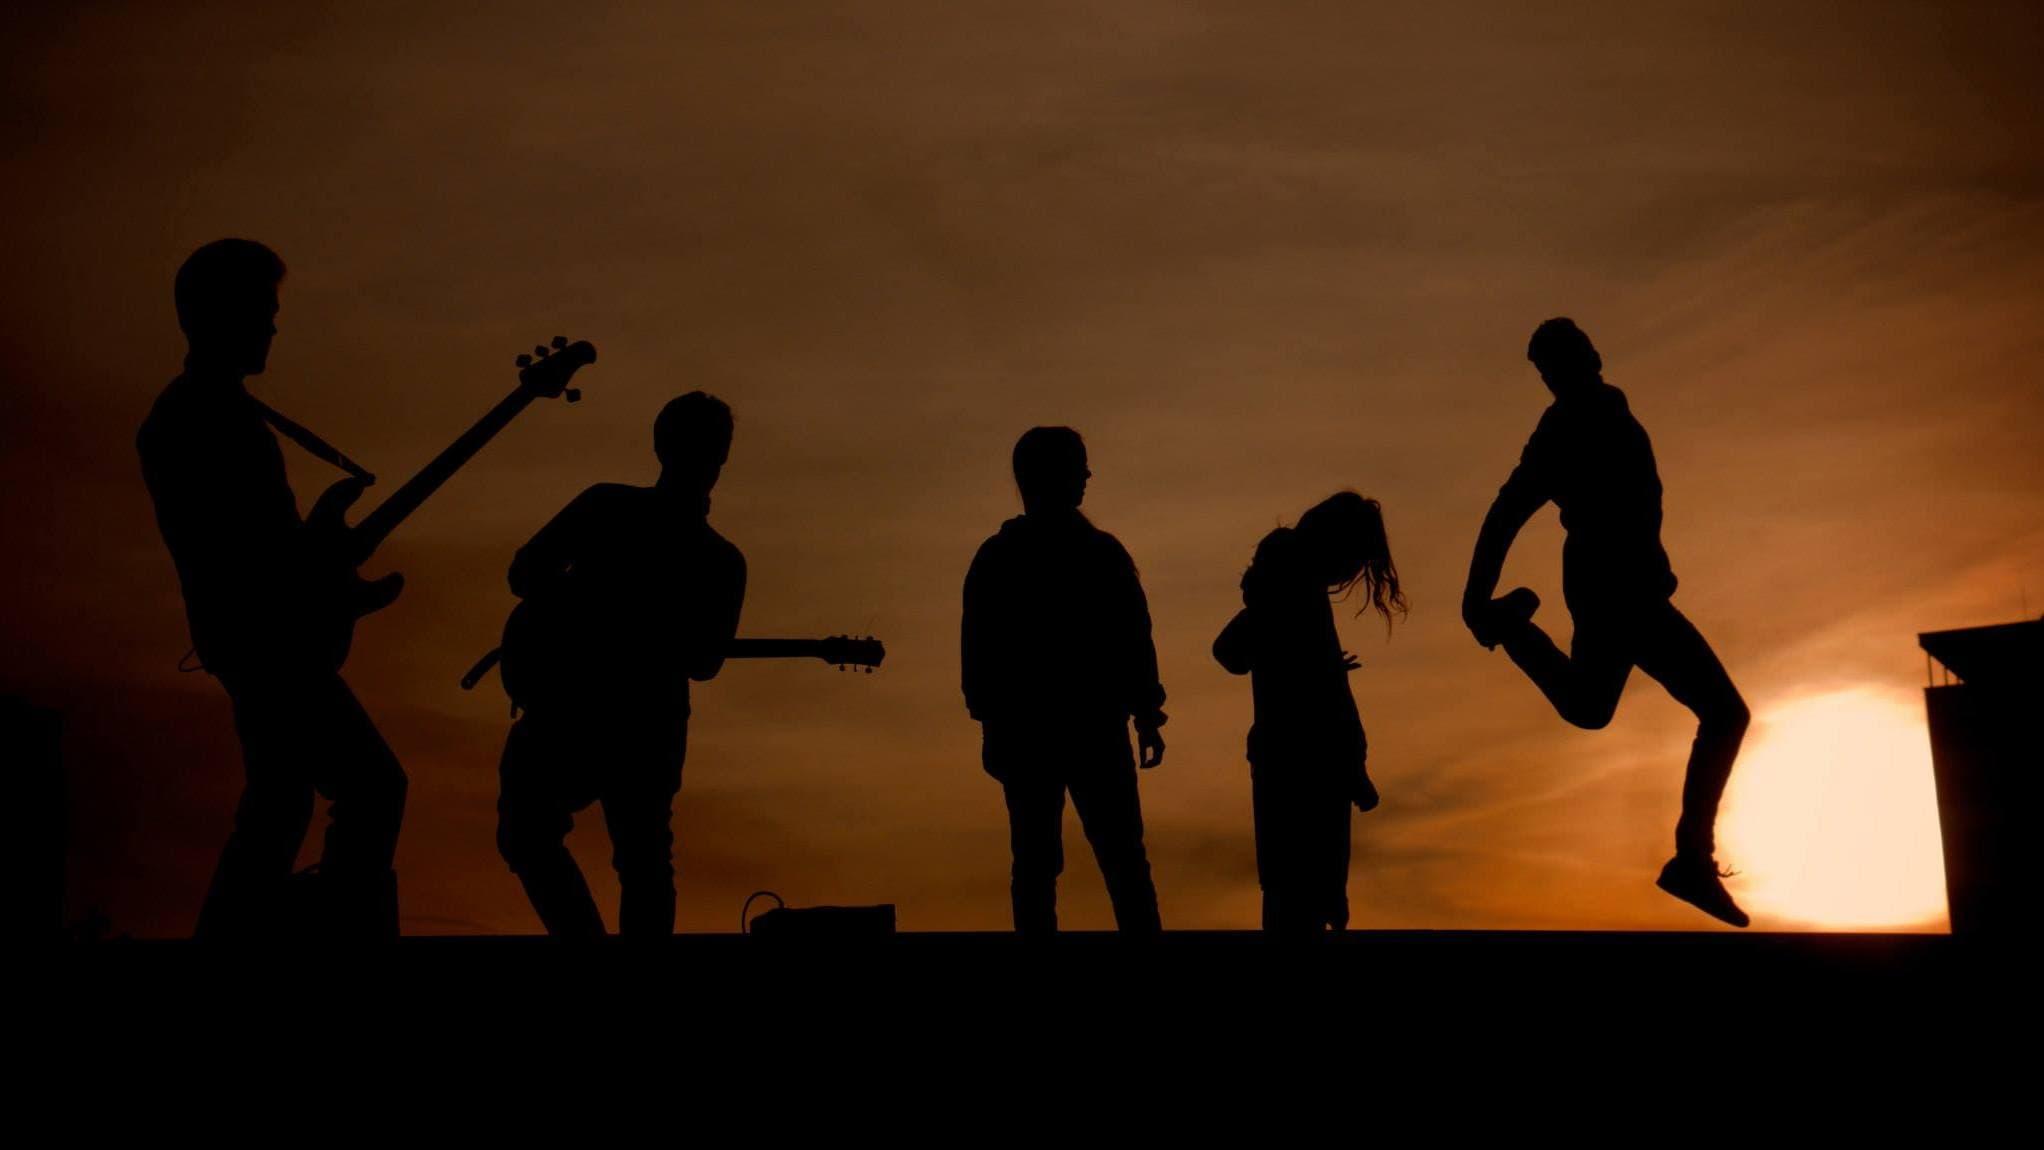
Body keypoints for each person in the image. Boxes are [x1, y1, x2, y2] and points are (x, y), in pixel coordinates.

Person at [138, 239, 406, 939]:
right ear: (216, 313)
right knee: (370, 786)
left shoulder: (214, 414)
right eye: (263, 308)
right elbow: (242, 551)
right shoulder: (201, 419)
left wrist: (324, 559)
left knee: (282, 804)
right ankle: (341, 931)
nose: (274, 325)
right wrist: (324, 570)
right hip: (265, 647)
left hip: (252, 640)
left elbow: (271, 548)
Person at [1462, 318, 1752, 927]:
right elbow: (1508, 508)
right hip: (1615, 591)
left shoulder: (1611, 415)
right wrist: (1474, 592)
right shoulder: (1562, 429)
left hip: (1627, 587)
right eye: (1548, 371)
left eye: (1560, 362)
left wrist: (1486, 603)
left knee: (1591, 708)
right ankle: (1692, 860)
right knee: (1723, 713)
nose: (1556, 377)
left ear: (1590, 354)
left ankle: (1514, 624)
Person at [493, 391, 746, 938]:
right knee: (634, 859)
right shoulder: (620, 513)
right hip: (588, 714)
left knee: (628, 856)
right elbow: (525, 573)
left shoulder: (714, 558)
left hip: (625, 721)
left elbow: (703, 661)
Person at [961, 427, 1166, 935]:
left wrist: (990, 720)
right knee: (1116, 857)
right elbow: (1133, 639)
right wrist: (1146, 713)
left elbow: (979, 651)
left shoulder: (998, 558)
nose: (1087, 477)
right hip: (1088, 729)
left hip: (1032, 731)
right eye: (1078, 468)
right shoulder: (1100, 555)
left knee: (1040, 861)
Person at [1214, 492, 1404, 934]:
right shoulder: (1295, 594)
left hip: (1281, 760)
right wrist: (1355, 770)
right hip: (1311, 768)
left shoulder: (1285, 591)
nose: (1356, 571)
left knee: (1287, 895)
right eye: (1356, 557)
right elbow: (1325, 703)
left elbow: (1232, 653)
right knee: (1306, 898)